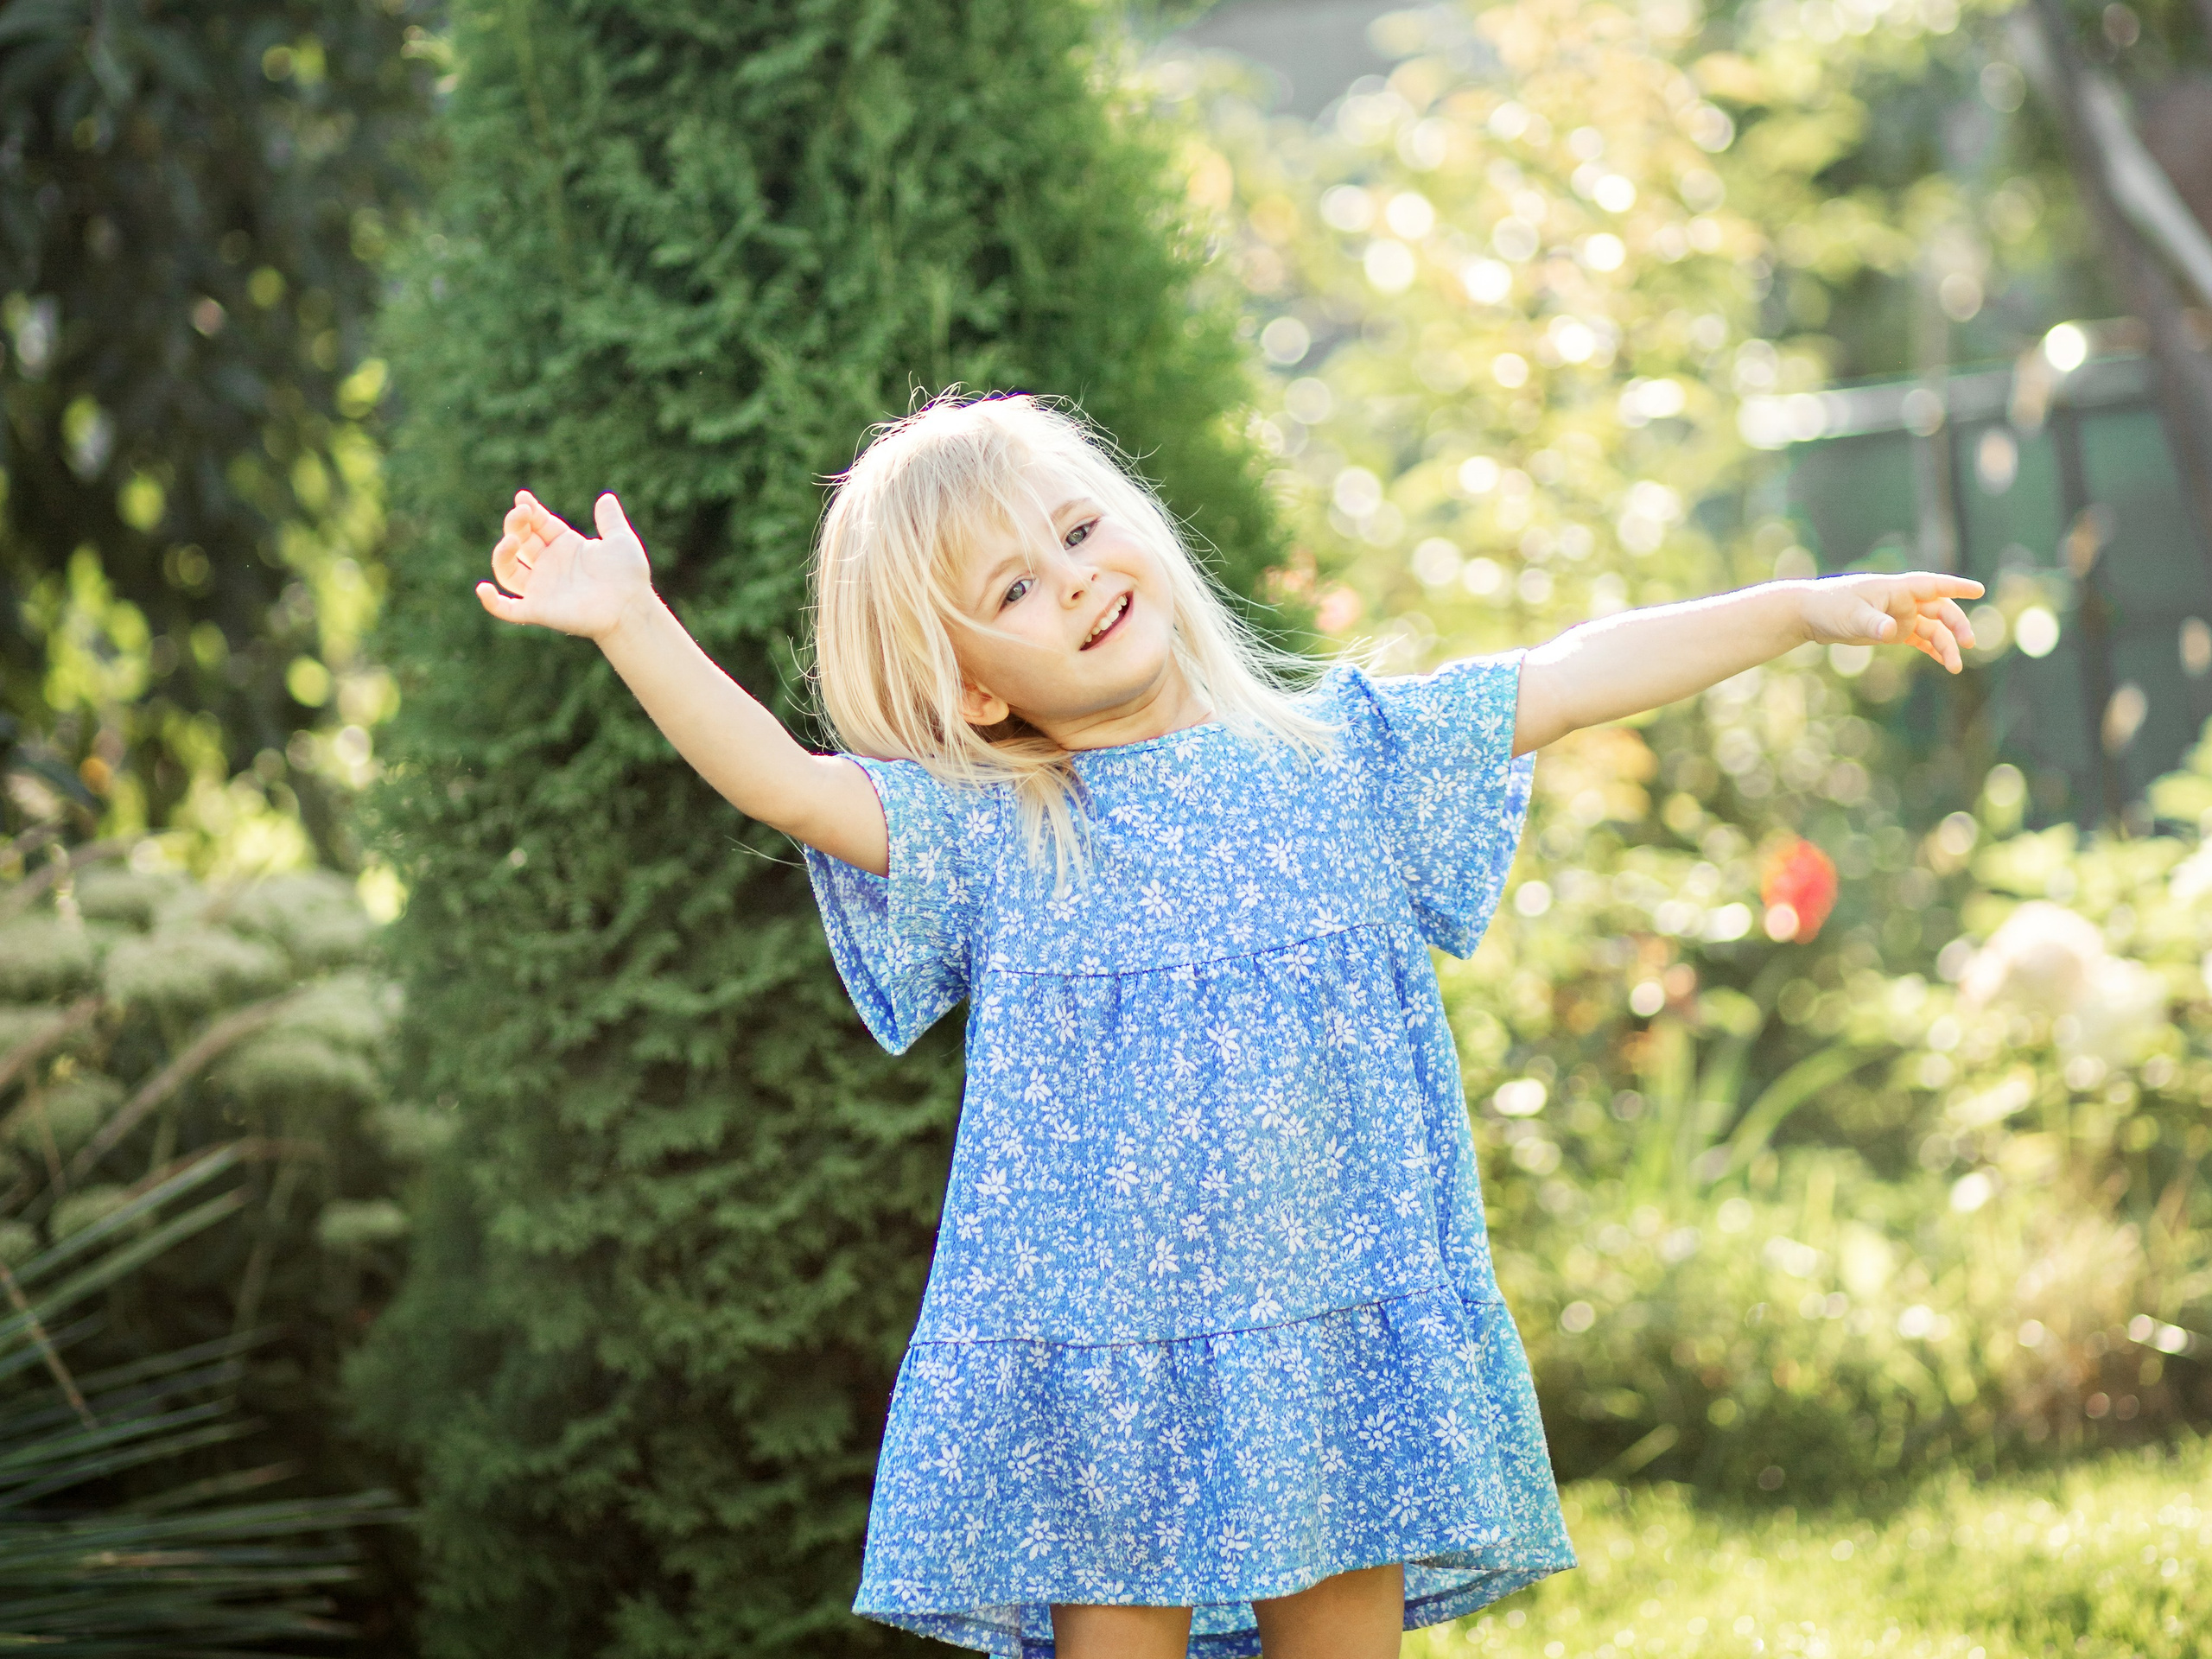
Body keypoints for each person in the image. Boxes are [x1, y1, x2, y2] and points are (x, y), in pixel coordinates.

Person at [475, 392, 1980, 1659]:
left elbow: (1575, 676)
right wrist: (631, 624)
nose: (1067, 581)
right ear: (977, 696)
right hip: (1098, 1347)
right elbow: (785, 780)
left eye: (1074, 533)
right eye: (1009, 592)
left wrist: (1797, 610)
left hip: (1337, 1322)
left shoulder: (1342, 755)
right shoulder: (1003, 827)